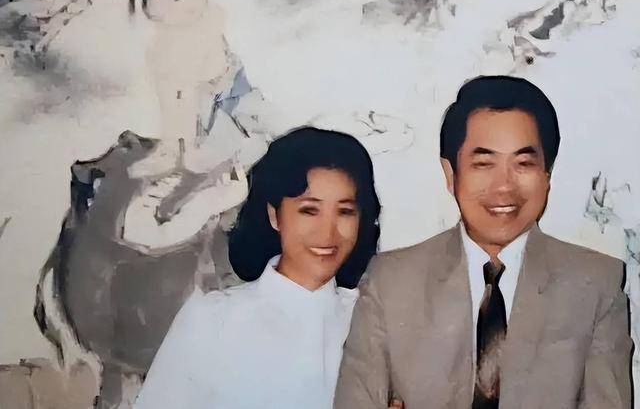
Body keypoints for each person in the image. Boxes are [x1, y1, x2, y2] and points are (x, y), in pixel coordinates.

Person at [334, 75, 633, 409]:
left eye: (523, 163)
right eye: (484, 163)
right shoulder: (391, 281)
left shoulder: (595, 285)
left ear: (547, 175)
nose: (504, 186)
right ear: (451, 174)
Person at [134, 126, 400, 409]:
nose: (327, 233)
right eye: (309, 210)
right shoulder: (212, 319)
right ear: (274, 215)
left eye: (345, 212)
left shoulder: (373, 322)